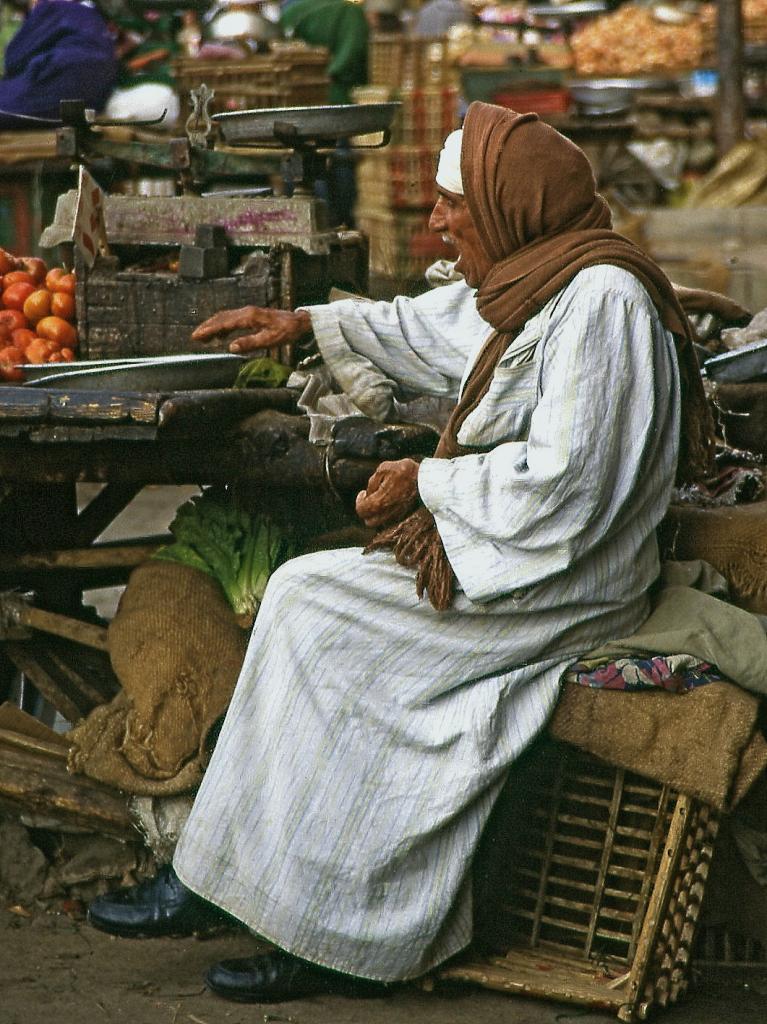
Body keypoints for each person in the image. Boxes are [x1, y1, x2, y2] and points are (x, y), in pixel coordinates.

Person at [87, 101, 714, 1003]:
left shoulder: (604, 303)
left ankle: (333, 928)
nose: (437, 222)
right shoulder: (542, 279)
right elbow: (439, 328)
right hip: (520, 563)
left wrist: (427, 481)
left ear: (508, 205)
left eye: (453, 204)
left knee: (313, 608)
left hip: (565, 586)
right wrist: (309, 324)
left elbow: (568, 489)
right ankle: (228, 878)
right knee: (307, 603)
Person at [0, 0, 117, 127]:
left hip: (60, 81)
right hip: (95, 96)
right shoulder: (91, 15)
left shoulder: (52, 7)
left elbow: (14, 58)